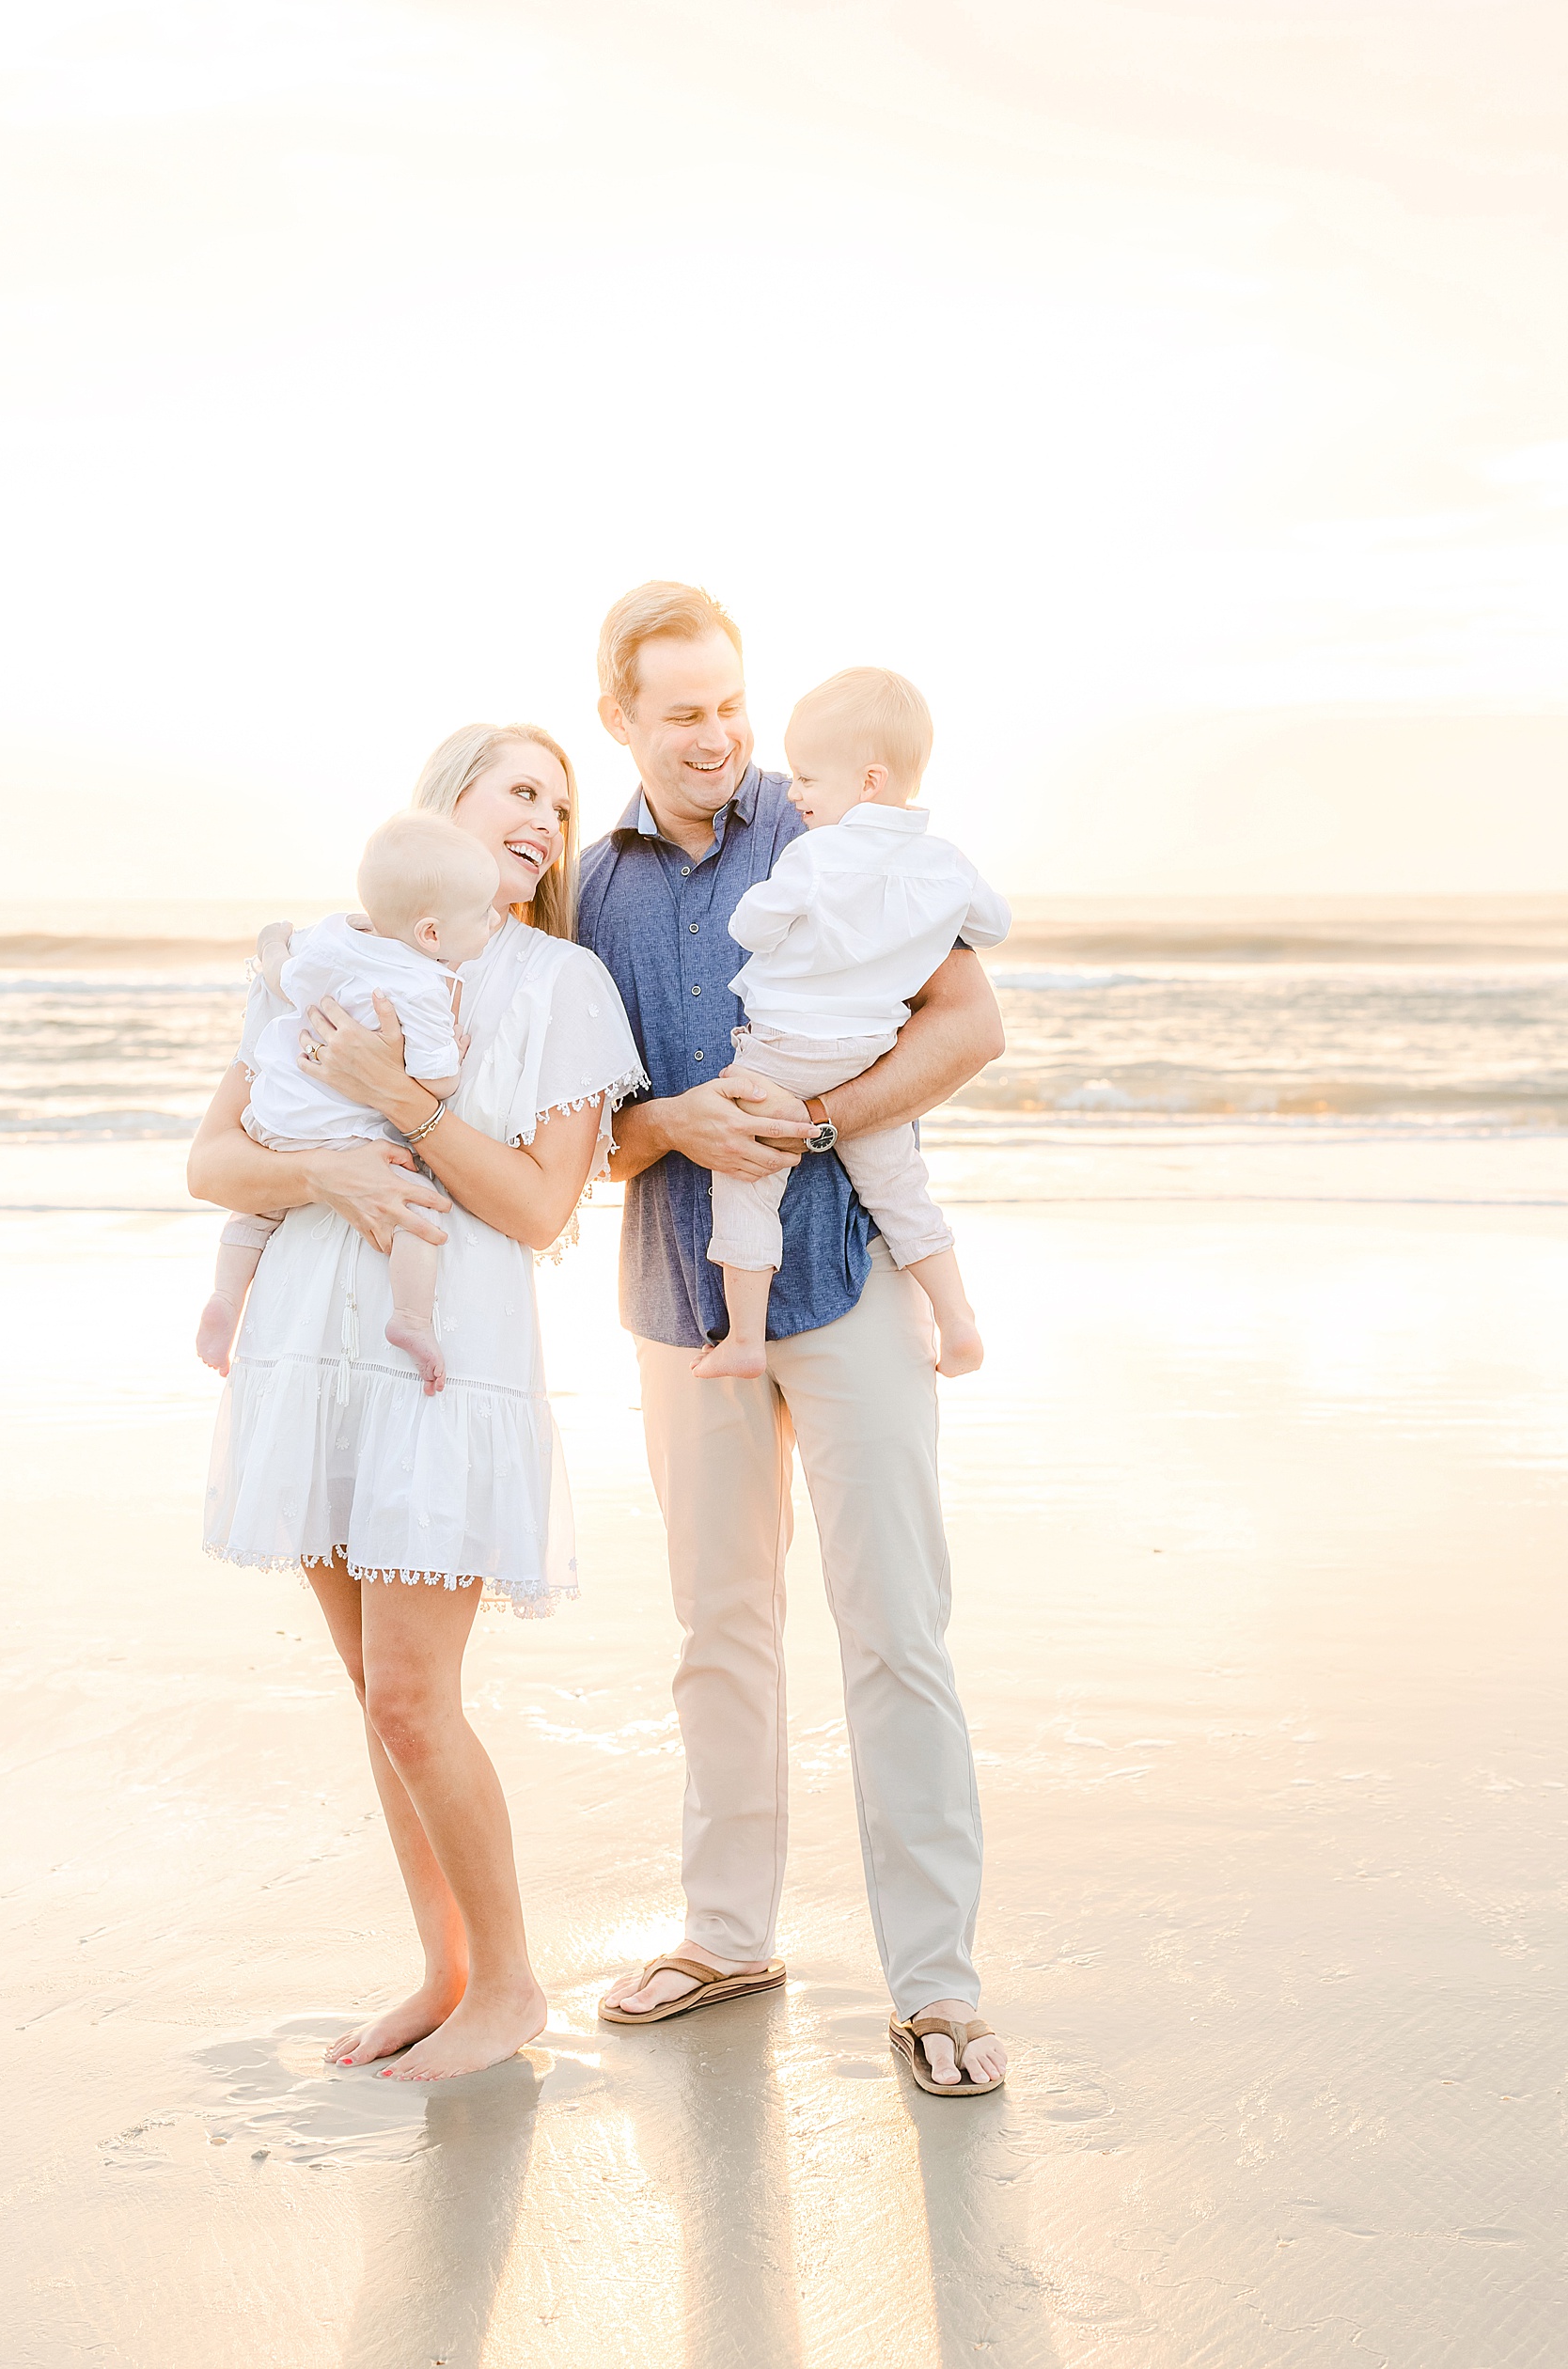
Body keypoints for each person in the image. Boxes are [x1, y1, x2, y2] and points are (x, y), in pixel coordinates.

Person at [580, 583, 1009, 2095]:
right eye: (681, 712)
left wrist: (818, 1123)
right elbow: (562, 1131)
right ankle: (724, 1932)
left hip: (849, 1275)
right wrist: (666, 1122)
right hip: (680, 1298)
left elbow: (970, 1029)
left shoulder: (834, 825)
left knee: (897, 1628)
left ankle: (938, 1985)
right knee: (720, 1628)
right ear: (620, 718)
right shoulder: (587, 893)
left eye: (729, 705)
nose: (717, 738)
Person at [188, 722, 646, 2082]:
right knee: (374, 1693)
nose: (545, 823)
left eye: (562, 808)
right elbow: (216, 1162)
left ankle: (511, 1987)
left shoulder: (561, 983)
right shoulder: (319, 955)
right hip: (308, 1348)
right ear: (447, 804)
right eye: (522, 790)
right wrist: (325, 1174)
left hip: (442, 1358)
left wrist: (395, 1101)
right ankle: (445, 1973)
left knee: (410, 1694)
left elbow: (542, 1205)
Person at [694, 664, 1010, 1384]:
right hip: (868, 1054)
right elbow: (994, 925)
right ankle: (959, 1325)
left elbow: (749, 924)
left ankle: (744, 1336)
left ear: (866, 783)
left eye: (807, 779)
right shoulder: (945, 862)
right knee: (899, 1186)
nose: (793, 792)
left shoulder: (815, 854)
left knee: (744, 1175)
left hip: (786, 1050)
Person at [195, 812, 501, 1393]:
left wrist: (271, 945)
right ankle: (411, 1319)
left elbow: (285, 979)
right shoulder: (423, 986)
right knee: (417, 1211)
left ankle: (225, 1298)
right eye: (483, 913)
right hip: (342, 1129)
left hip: (277, 1112)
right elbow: (435, 1084)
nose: (493, 920)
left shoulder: (336, 934)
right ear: (431, 935)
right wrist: (453, 1054)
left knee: (255, 1214)